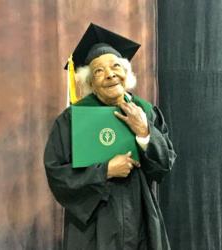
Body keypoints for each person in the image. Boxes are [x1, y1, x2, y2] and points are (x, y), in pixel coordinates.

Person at [44, 23, 177, 250]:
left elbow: (164, 166)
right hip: (93, 226)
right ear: (90, 83)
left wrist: (145, 132)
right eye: (99, 71)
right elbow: (57, 174)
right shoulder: (72, 119)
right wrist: (104, 171)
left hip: (140, 219)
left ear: (127, 73)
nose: (110, 74)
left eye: (116, 66)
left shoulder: (145, 111)